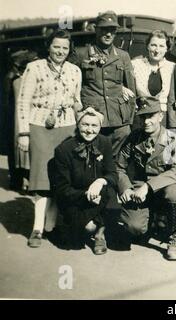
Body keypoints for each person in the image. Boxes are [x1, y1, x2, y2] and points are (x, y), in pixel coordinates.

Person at [16, 29, 82, 248]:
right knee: (42, 180)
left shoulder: (75, 71)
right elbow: (23, 102)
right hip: (40, 126)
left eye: (64, 48)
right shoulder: (34, 68)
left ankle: (50, 227)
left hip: (67, 127)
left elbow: (77, 100)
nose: (60, 51)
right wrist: (24, 133)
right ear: (48, 47)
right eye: (56, 47)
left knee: (60, 178)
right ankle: (36, 229)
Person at [116, 97, 176, 260]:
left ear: (160, 116)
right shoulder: (133, 138)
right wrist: (125, 187)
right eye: (142, 117)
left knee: (174, 192)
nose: (146, 121)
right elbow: (119, 166)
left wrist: (148, 186)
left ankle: (174, 239)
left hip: (162, 188)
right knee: (134, 228)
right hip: (138, 189)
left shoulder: (173, 139)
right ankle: (151, 222)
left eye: (151, 116)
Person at [69, 10, 136, 157]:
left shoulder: (123, 56)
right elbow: (70, 84)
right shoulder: (81, 54)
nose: (108, 34)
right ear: (96, 29)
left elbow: (132, 91)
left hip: (117, 116)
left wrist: (128, 119)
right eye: (104, 30)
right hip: (92, 113)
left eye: (112, 30)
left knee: (124, 133)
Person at [54, 108, 117, 254]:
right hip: (77, 199)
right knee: (86, 228)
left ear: (100, 127)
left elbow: (112, 174)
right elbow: (62, 189)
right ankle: (89, 227)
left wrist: (100, 181)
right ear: (78, 125)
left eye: (94, 126)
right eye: (85, 125)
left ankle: (100, 235)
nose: (89, 130)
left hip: (100, 193)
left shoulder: (105, 142)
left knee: (112, 197)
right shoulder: (64, 150)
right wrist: (85, 195)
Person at [1, 49, 37, 191]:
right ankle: (21, 180)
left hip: (12, 120)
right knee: (20, 152)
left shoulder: (11, 78)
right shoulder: (17, 80)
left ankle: (17, 181)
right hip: (16, 120)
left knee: (15, 152)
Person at [132, 30, 175, 128]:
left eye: (161, 46)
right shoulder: (135, 64)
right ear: (147, 46)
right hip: (141, 116)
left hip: (163, 116)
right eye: (153, 45)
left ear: (167, 48)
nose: (157, 50)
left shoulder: (172, 67)